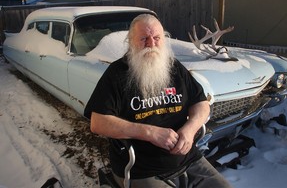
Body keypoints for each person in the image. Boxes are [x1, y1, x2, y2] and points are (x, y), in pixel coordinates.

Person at [84, 14, 232, 188]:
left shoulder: (174, 67)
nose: (151, 44)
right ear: (131, 41)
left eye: (156, 38)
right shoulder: (116, 74)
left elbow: (201, 104)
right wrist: (149, 132)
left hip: (188, 158)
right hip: (141, 167)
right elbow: (98, 123)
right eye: (144, 39)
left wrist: (190, 129)